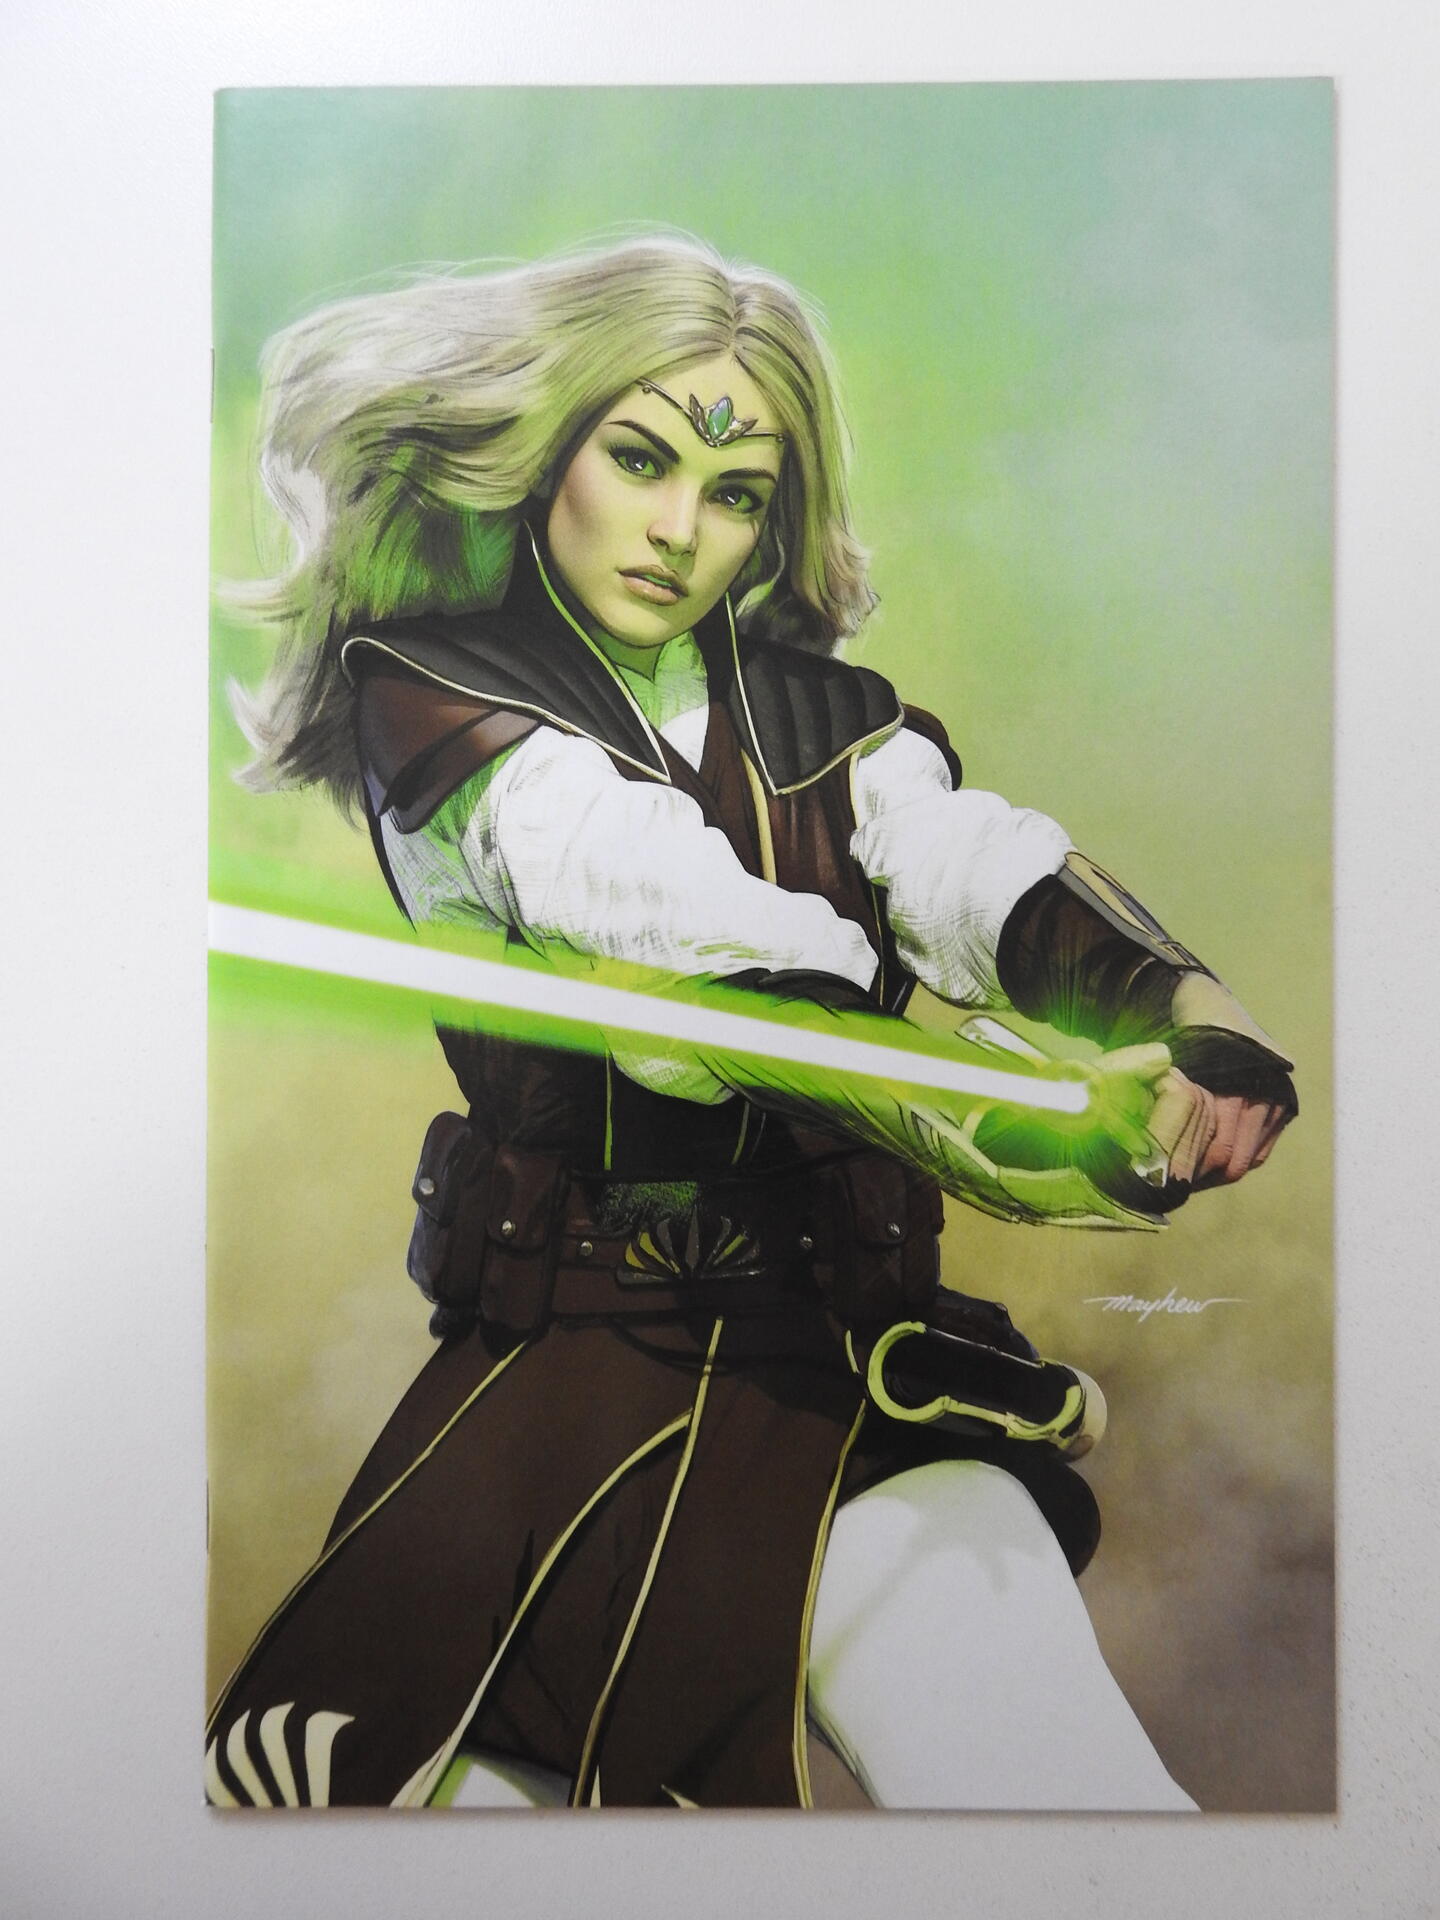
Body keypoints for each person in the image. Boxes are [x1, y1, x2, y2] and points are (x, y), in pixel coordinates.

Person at [205, 236, 1295, 1811]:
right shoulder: (438, 702)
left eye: (734, 492)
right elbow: (684, 939)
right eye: (640, 459)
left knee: (1086, 1820)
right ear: (546, 450)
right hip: (561, 1422)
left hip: (842, 1384)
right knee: (364, 1814)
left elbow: (969, 871)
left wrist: (1194, 1022)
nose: (679, 530)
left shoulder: (827, 717)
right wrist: (1018, 1118)